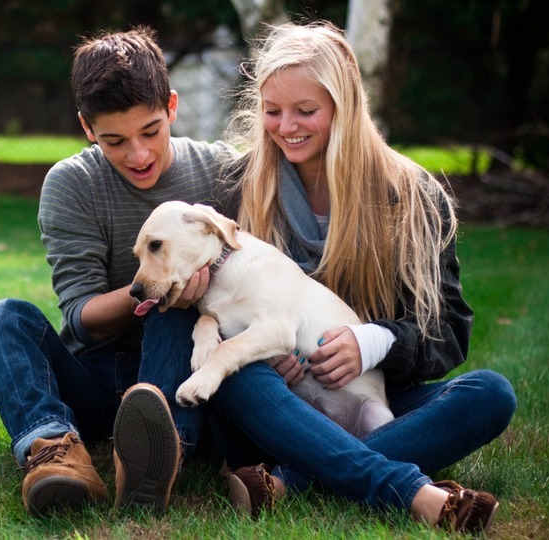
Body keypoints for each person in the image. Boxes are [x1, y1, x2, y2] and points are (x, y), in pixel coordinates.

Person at [190, 21, 516, 534]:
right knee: (226, 368)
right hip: (272, 404)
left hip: (369, 395)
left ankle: (288, 483)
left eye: (306, 111)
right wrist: (263, 351)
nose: (285, 126)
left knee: (490, 394)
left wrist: (374, 342)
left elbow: (450, 332)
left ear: (345, 107)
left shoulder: (410, 195)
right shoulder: (239, 188)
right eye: (272, 111)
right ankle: (406, 488)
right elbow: (211, 301)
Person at [0, 26, 237, 515]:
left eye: (151, 131)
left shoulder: (222, 171)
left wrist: (174, 295)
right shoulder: (71, 183)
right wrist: (151, 289)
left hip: (179, 368)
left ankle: (160, 454)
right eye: (115, 140)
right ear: (87, 128)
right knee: (4, 318)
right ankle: (54, 450)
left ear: (173, 107)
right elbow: (79, 317)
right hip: (94, 377)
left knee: (176, 309)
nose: (138, 155)